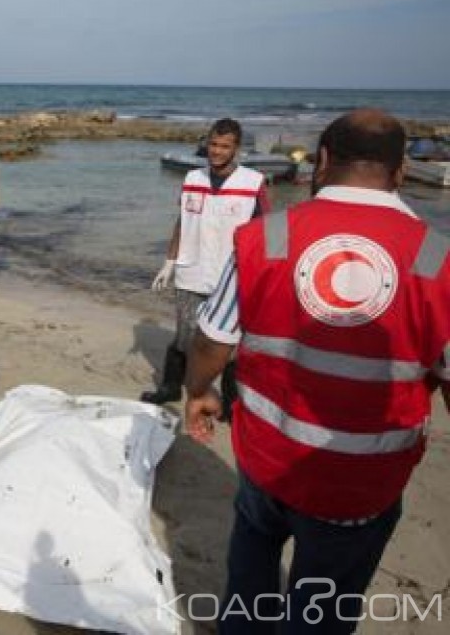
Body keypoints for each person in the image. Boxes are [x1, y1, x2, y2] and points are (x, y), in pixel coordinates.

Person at [184, 109, 450, 633]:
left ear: (322, 160)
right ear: (400, 171)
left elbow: (213, 339)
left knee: (250, 577)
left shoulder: (268, 235)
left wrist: (200, 390)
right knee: (322, 612)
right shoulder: (437, 257)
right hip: (363, 484)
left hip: (266, 462)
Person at [142, 118, 269, 411]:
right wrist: (169, 261)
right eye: (213, 144)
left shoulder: (253, 182)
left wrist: (264, 275)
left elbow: (266, 232)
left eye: (225, 146)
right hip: (191, 271)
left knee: (231, 343)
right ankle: (170, 388)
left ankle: (231, 402)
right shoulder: (192, 179)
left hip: (232, 277)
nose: (217, 151)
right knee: (185, 335)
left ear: (236, 149)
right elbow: (182, 222)